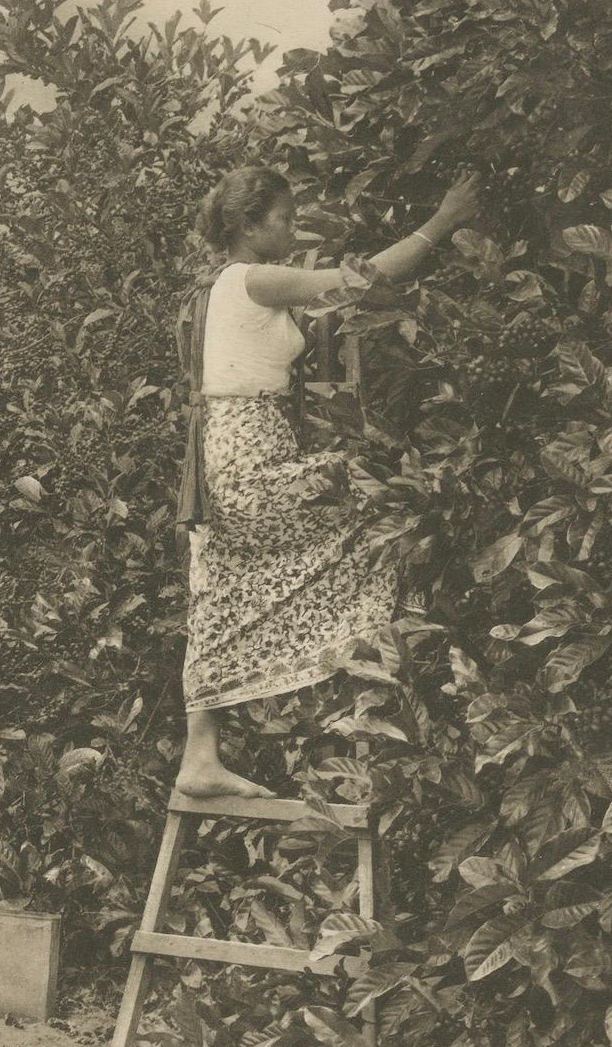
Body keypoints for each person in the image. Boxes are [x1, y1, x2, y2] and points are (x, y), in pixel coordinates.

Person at [174, 165, 482, 800]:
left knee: (219, 589)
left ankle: (199, 757)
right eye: (284, 219)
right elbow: (359, 280)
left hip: (222, 463)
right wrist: (444, 221)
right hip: (249, 458)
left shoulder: (222, 287)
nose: (293, 229)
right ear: (249, 225)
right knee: (385, 498)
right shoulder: (252, 278)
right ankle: (382, 669)